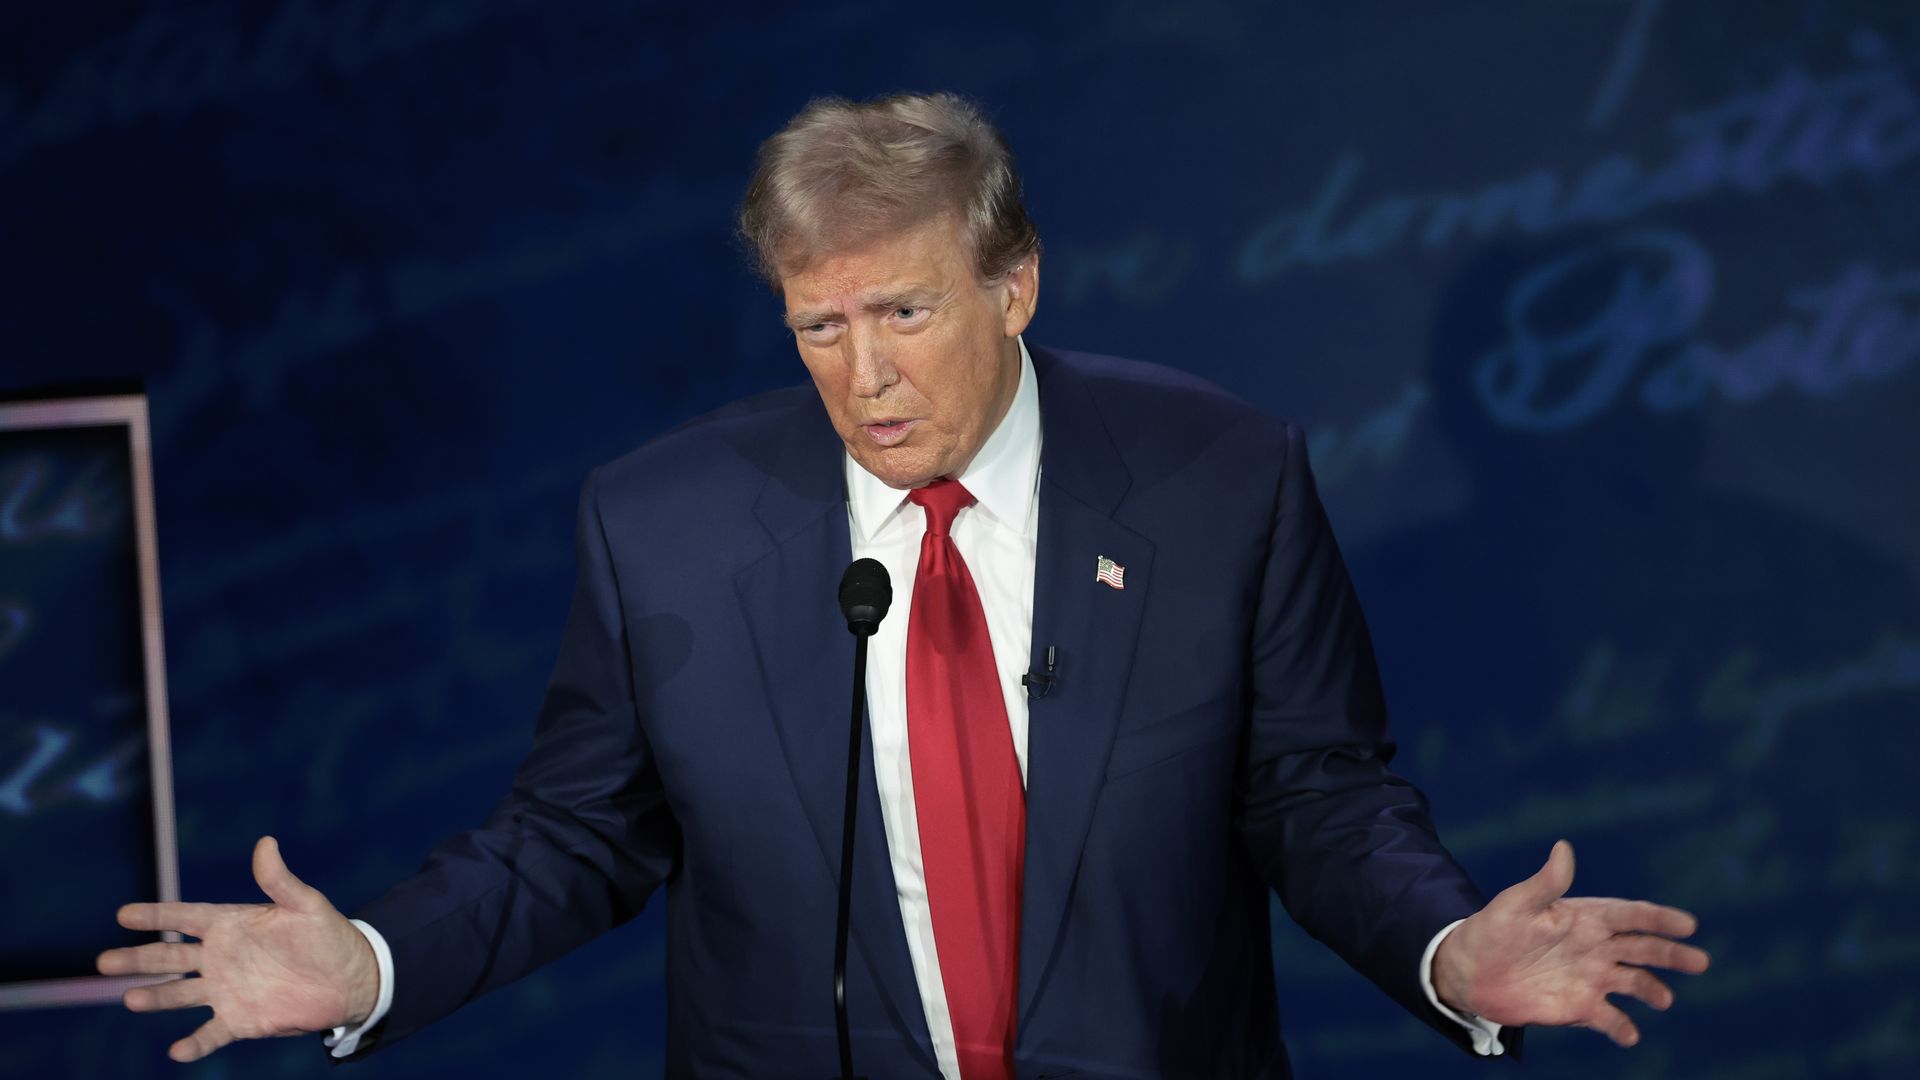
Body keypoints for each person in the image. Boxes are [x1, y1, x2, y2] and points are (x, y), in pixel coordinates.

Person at [99, 92, 1709, 1079]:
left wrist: (1447, 953)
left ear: (1014, 284)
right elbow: (579, 831)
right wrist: (371, 962)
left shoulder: (1219, 478)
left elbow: (1317, 799)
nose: (863, 377)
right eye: (819, 327)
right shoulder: (661, 522)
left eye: (904, 315)